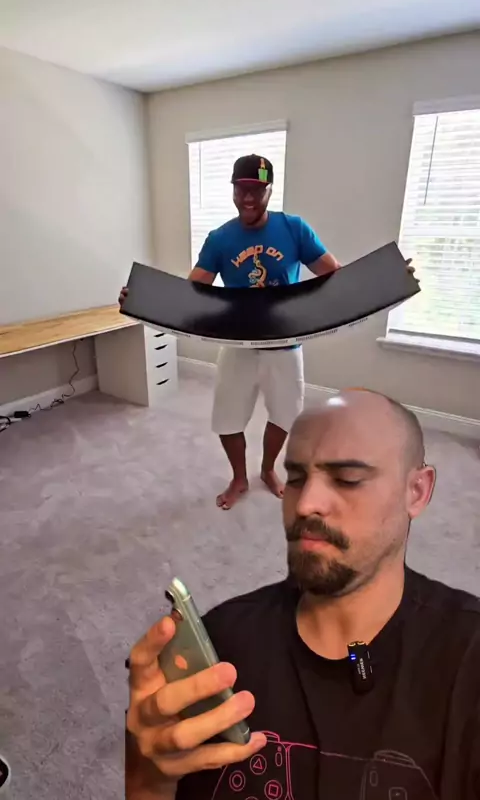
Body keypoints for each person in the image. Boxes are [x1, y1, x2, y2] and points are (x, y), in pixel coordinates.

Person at [125, 389, 480, 800]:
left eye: (347, 479)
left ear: (416, 491)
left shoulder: (468, 657)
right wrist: (148, 775)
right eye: (295, 478)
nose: (305, 503)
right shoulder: (220, 646)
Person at [120, 153, 342, 510]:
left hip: (285, 345)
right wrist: (142, 298)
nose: (248, 198)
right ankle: (239, 478)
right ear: (234, 190)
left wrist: (388, 279)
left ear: (270, 190)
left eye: (257, 190)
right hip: (237, 344)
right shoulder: (220, 239)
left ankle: (267, 469)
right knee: (227, 419)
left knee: (285, 415)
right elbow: (190, 292)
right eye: (241, 189)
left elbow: (335, 275)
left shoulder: (294, 229)